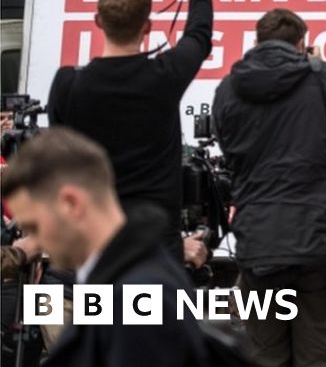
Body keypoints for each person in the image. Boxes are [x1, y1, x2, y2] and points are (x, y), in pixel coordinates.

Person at [212, 8, 326, 366]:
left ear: (256, 43)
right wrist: (321, 69)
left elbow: (227, 148)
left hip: (257, 240)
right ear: (302, 43)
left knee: (266, 355)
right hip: (318, 239)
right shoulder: (323, 77)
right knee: (316, 355)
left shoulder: (228, 88)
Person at [47, 0, 212, 259]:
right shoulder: (164, 75)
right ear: (147, 27)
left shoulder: (69, 83)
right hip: (156, 240)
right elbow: (199, 35)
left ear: (98, 21)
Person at [1, 128, 206, 366]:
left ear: (71, 203)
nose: (33, 242)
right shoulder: (128, 276)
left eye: (34, 226)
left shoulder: (135, 295)